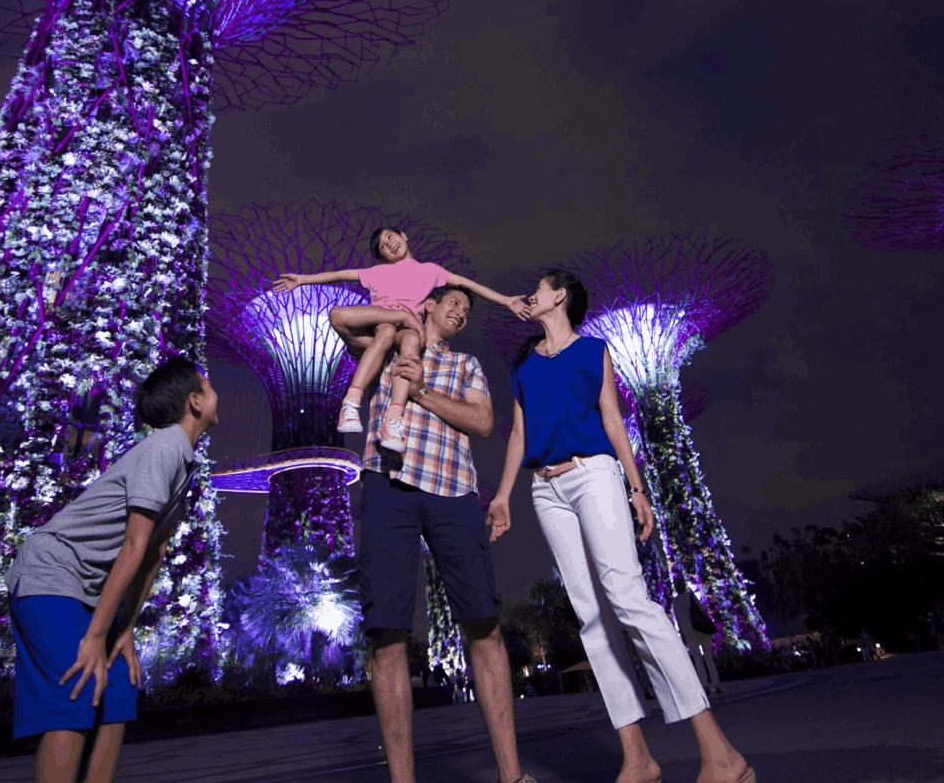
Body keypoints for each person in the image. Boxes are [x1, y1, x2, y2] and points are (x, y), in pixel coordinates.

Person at [487, 271, 756, 783]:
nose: (532, 294)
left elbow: (612, 419)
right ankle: (638, 759)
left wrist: (637, 488)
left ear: (559, 296)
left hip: (594, 475)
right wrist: (502, 494)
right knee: (591, 618)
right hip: (545, 489)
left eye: (540, 287)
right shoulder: (523, 363)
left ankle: (720, 755)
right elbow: (518, 433)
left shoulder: (594, 351)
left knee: (629, 600)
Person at [3, 355, 218, 783]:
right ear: (195, 401)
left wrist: (124, 631)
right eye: (209, 386)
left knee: (119, 689)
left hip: (84, 588)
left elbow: (153, 555)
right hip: (51, 573)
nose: (216, 393)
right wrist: (97, 635)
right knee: (78, 689)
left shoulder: (183, 458)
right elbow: (135, 544)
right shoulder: (166, 446)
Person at [356, 283, 532, 783]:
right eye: (454, 302)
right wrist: (394, 310)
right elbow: (338, 319)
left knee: (484, 624)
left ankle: (512, 777)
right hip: (388, 484)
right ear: (429, 304)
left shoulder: (465, 365)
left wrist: (421, 390)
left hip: (453, 491)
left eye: (468, 310)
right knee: (387, 633)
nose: (461, 312)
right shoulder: (386, 345)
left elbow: (483, 421)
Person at [274, 225, 526, 452]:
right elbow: (341, 275)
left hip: (407, 328)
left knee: (411, 343)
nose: (389, 244)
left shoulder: (430, 271)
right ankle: (351, 403)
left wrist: (506, 300)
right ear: (383, 256)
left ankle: (393, 420)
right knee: (367, 324)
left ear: (403, 236)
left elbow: (467, 284)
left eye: (390, 237)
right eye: (383, 246)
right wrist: (303, 279)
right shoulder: (377, 272)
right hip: (383, 319)